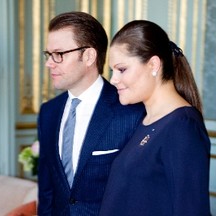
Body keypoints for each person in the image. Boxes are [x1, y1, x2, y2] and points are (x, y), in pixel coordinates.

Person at [37, 12, 145, 215]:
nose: (49, 63)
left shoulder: (131, 111)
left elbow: (139, 193)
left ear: (88, 56)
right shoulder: (48, 112)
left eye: (59, 54)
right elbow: (46, 189)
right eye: (48, 54)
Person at [99, 20, 211, 216]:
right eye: (112, 71)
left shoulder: (182, 126)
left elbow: (191, 210)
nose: (113, 79)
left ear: (153, 64)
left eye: (122, 69)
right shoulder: (145, 120)